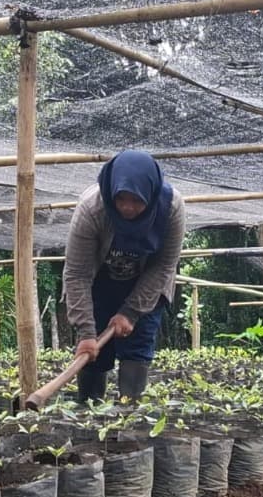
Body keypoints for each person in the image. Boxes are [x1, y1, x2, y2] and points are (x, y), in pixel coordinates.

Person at [64, 150, 186, 403]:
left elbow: (164, 265)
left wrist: (130, 312)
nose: (127, 207)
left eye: (137, 200)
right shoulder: (92, 209)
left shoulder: (171, 208)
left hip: (146, 283)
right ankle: (90, 415)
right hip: (100, 282)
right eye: (121, 199)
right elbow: (77, 274)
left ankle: (129, 418)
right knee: (95, 350)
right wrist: (86, 333)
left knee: (137, 346)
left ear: (150, 195)